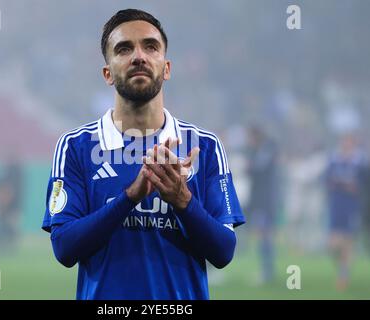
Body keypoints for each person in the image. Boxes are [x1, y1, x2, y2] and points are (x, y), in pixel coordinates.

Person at [42, 9, 245, 300]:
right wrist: (129, 198)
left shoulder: (205, 146)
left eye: (150, 46)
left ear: (166, 68)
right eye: (124, 49)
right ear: (107, 73)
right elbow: (64, 249)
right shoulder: (76, 146)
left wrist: (182, 200)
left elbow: (224, 252)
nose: (139, 56)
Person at [325, 133, 366, 291]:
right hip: (336, 206)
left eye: (349, 143)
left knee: (348, 241)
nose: (346, 146)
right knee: (332, 245)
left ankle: (343, 274)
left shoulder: (360, 163)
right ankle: (343, 267)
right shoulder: (334, 161)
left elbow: (362, 185)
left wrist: (355, 187)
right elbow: (327, 180)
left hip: (352, 207)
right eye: (344, 143)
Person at [245, 125, 279, 284]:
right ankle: (267, 270)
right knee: (263, 235)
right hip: (261, 200)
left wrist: (248, 167)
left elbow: (257, 169)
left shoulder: (267, 151)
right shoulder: (259, 152)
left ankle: (267, 271)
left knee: (264, 235)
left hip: (265, 201)